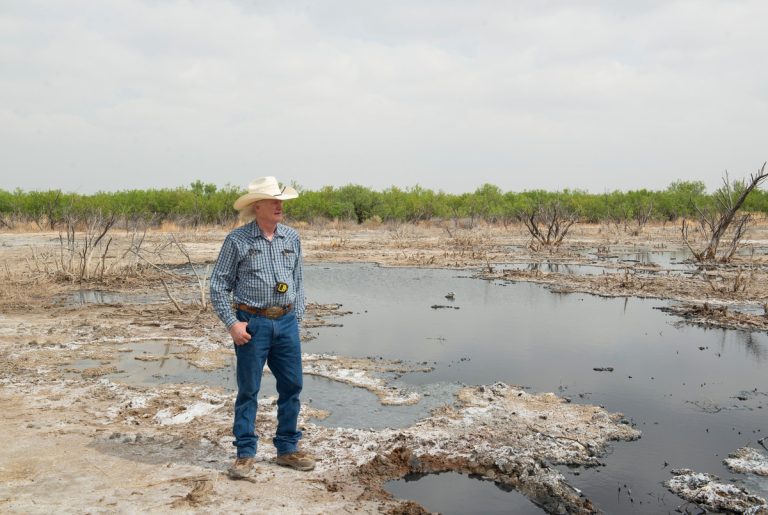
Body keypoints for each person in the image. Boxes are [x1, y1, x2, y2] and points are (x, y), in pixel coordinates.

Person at [210, 176, 315, 479]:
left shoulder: (292, 238)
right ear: (257, 206)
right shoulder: (238, 240)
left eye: (281, 200)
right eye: (273, 200)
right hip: (252, 324)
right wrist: (233, 324)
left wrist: (296, 319)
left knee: (293, 385)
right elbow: (218, 286)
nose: (280, 205)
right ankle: (244, 454)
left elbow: (298, 281)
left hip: (286, 321)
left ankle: (287, 449)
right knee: (249, 390)